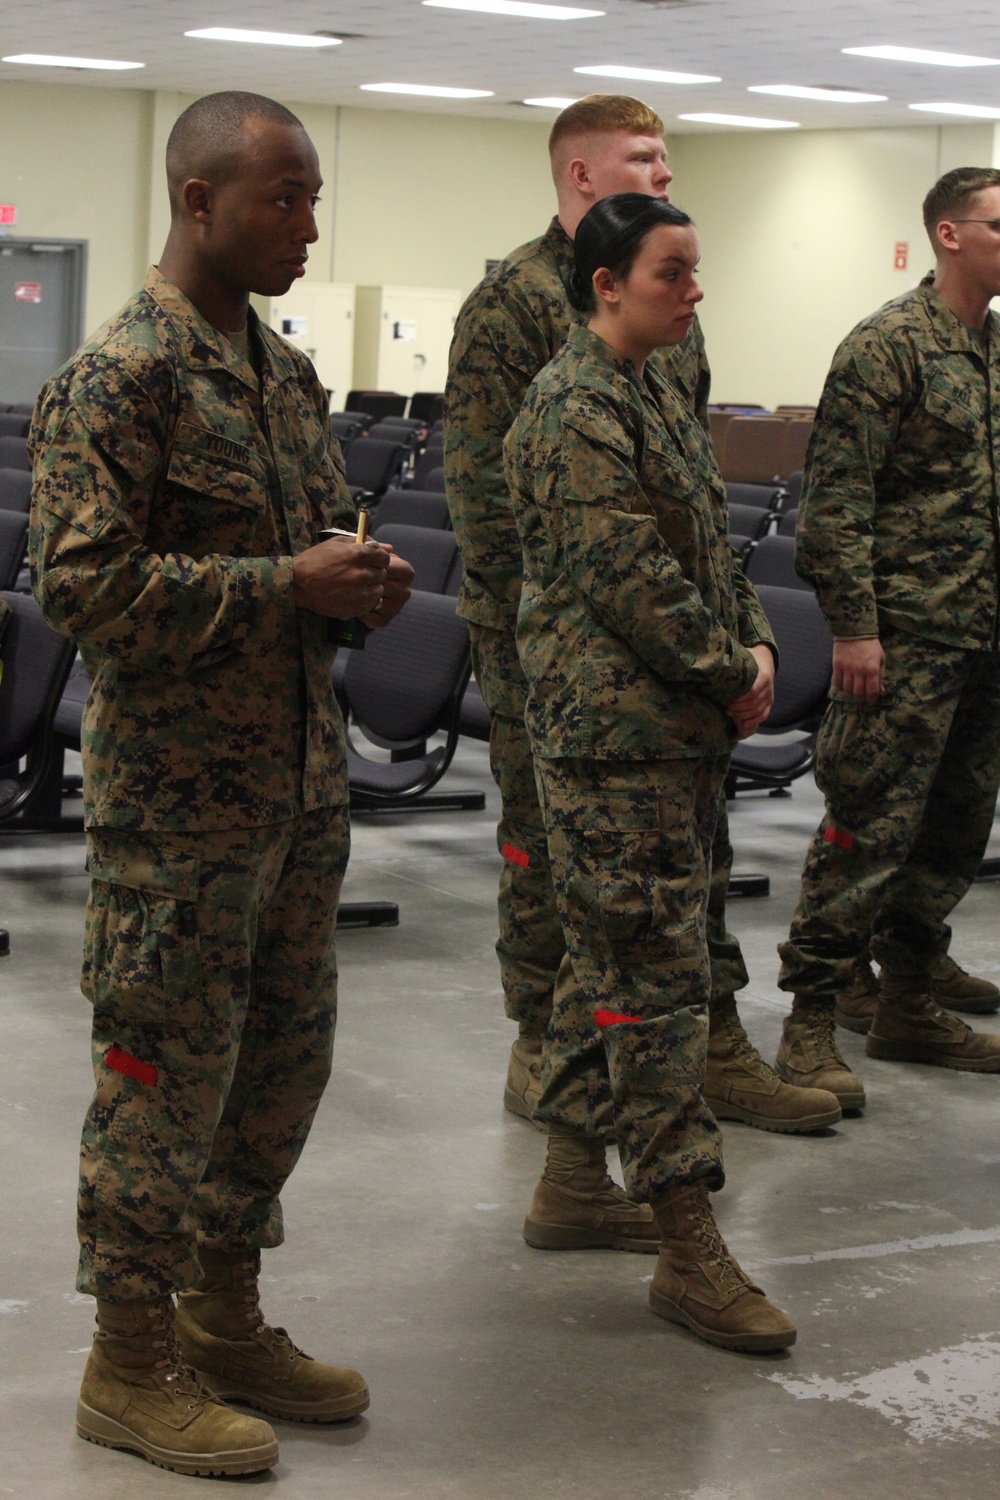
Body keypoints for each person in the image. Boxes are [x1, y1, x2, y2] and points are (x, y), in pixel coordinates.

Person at [28, 91, 413, 1477]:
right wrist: (279, 584)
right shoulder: (122, 376)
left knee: (276, 1068)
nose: (308, 227)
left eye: (315, 199)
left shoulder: (282, 373)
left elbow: (300, 553)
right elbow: (79, 590)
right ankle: (127, 1363)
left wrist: (350, 586)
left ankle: (224, 1311)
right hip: (179, 814)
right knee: (160, 1078)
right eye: (283, 199)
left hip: (296, 792)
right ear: (199, 203)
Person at [446, 94, 838, 1258]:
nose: (667, 166)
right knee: (581, 898)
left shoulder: (664, 312)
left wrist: (735, 648)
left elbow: (688, 500)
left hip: (665, 675)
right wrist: (553, 657)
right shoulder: (518, 311)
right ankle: (566, 1081)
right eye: (643, 158)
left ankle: (700, 1051)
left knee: (674, 890)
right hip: (570, 668)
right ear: (580, 178)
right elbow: (500, 509)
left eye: (670, 154)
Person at [505, 192, 794, 1350]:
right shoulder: (570, 405)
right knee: (655, 989)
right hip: (611, 739)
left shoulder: (655, 388)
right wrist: (731, 668)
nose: (694, 290)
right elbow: (629, 574)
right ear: (605, 284)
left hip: (670, 733)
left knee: (603, 963)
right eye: (672, 272)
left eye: (694, 268)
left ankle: (574, 1181)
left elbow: (706, 547)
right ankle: (686, 1241)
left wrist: (756, 638)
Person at [774, 165, 1000, 1109]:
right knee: (863, 829)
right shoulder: (886, 346)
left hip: (979, 636)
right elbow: (835, 505)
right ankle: (811, 1024)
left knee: (953, 831)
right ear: (949, 235)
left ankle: (909, 995)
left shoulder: (988, 347)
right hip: (903, 640)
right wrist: (856, 633)